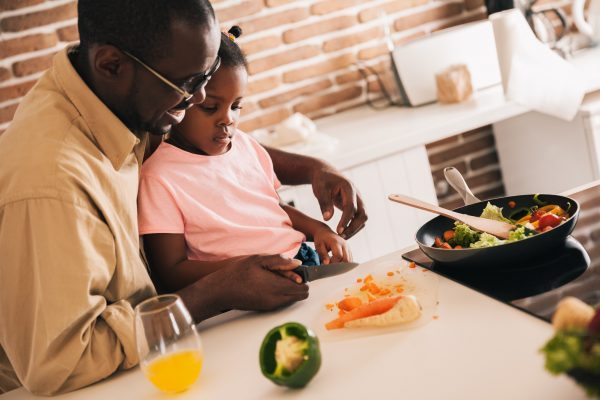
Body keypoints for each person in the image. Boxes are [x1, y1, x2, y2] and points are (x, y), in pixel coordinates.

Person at [0, 0, 366, 395]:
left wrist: (314, 168)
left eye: (205, 77)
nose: (198, 100)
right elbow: (61, 363)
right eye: (189, 84)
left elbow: (228, 154)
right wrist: (217, 291)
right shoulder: (51, 184)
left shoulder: (119, 95)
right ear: (111, 64)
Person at [138, 27, 351, 292]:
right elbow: (171, 272)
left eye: (236, 106)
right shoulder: (158, 176)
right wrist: (246, 268)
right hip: (239, 289)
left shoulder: (245, 145)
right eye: (210, 107)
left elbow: (272, 210)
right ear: (180, 99)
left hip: (302, 259)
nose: (228, 118)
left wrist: (319, 229)